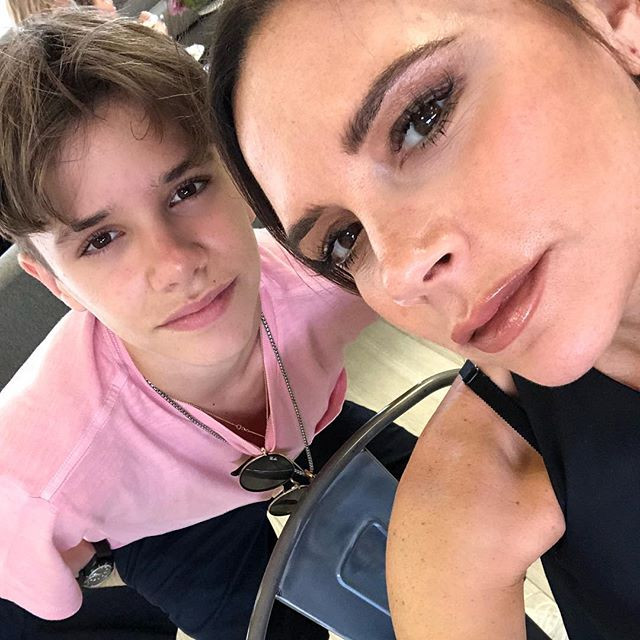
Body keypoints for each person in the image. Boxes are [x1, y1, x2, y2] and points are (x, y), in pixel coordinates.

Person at [207, 0, 640, 638]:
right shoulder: (465, 502)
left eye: (422, 118)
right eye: (345, 239)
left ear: (613, 17)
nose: (400, 269)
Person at [0, 9, 417, 640]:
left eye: (187, 190)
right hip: (168, 523)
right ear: (56, 283)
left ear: (239, 173)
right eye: (102, 239)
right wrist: (91, 554)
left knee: (439, 523)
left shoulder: (324, 276)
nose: (175, 264)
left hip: (307, 426)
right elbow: (39, 579)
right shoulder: (42, 463)